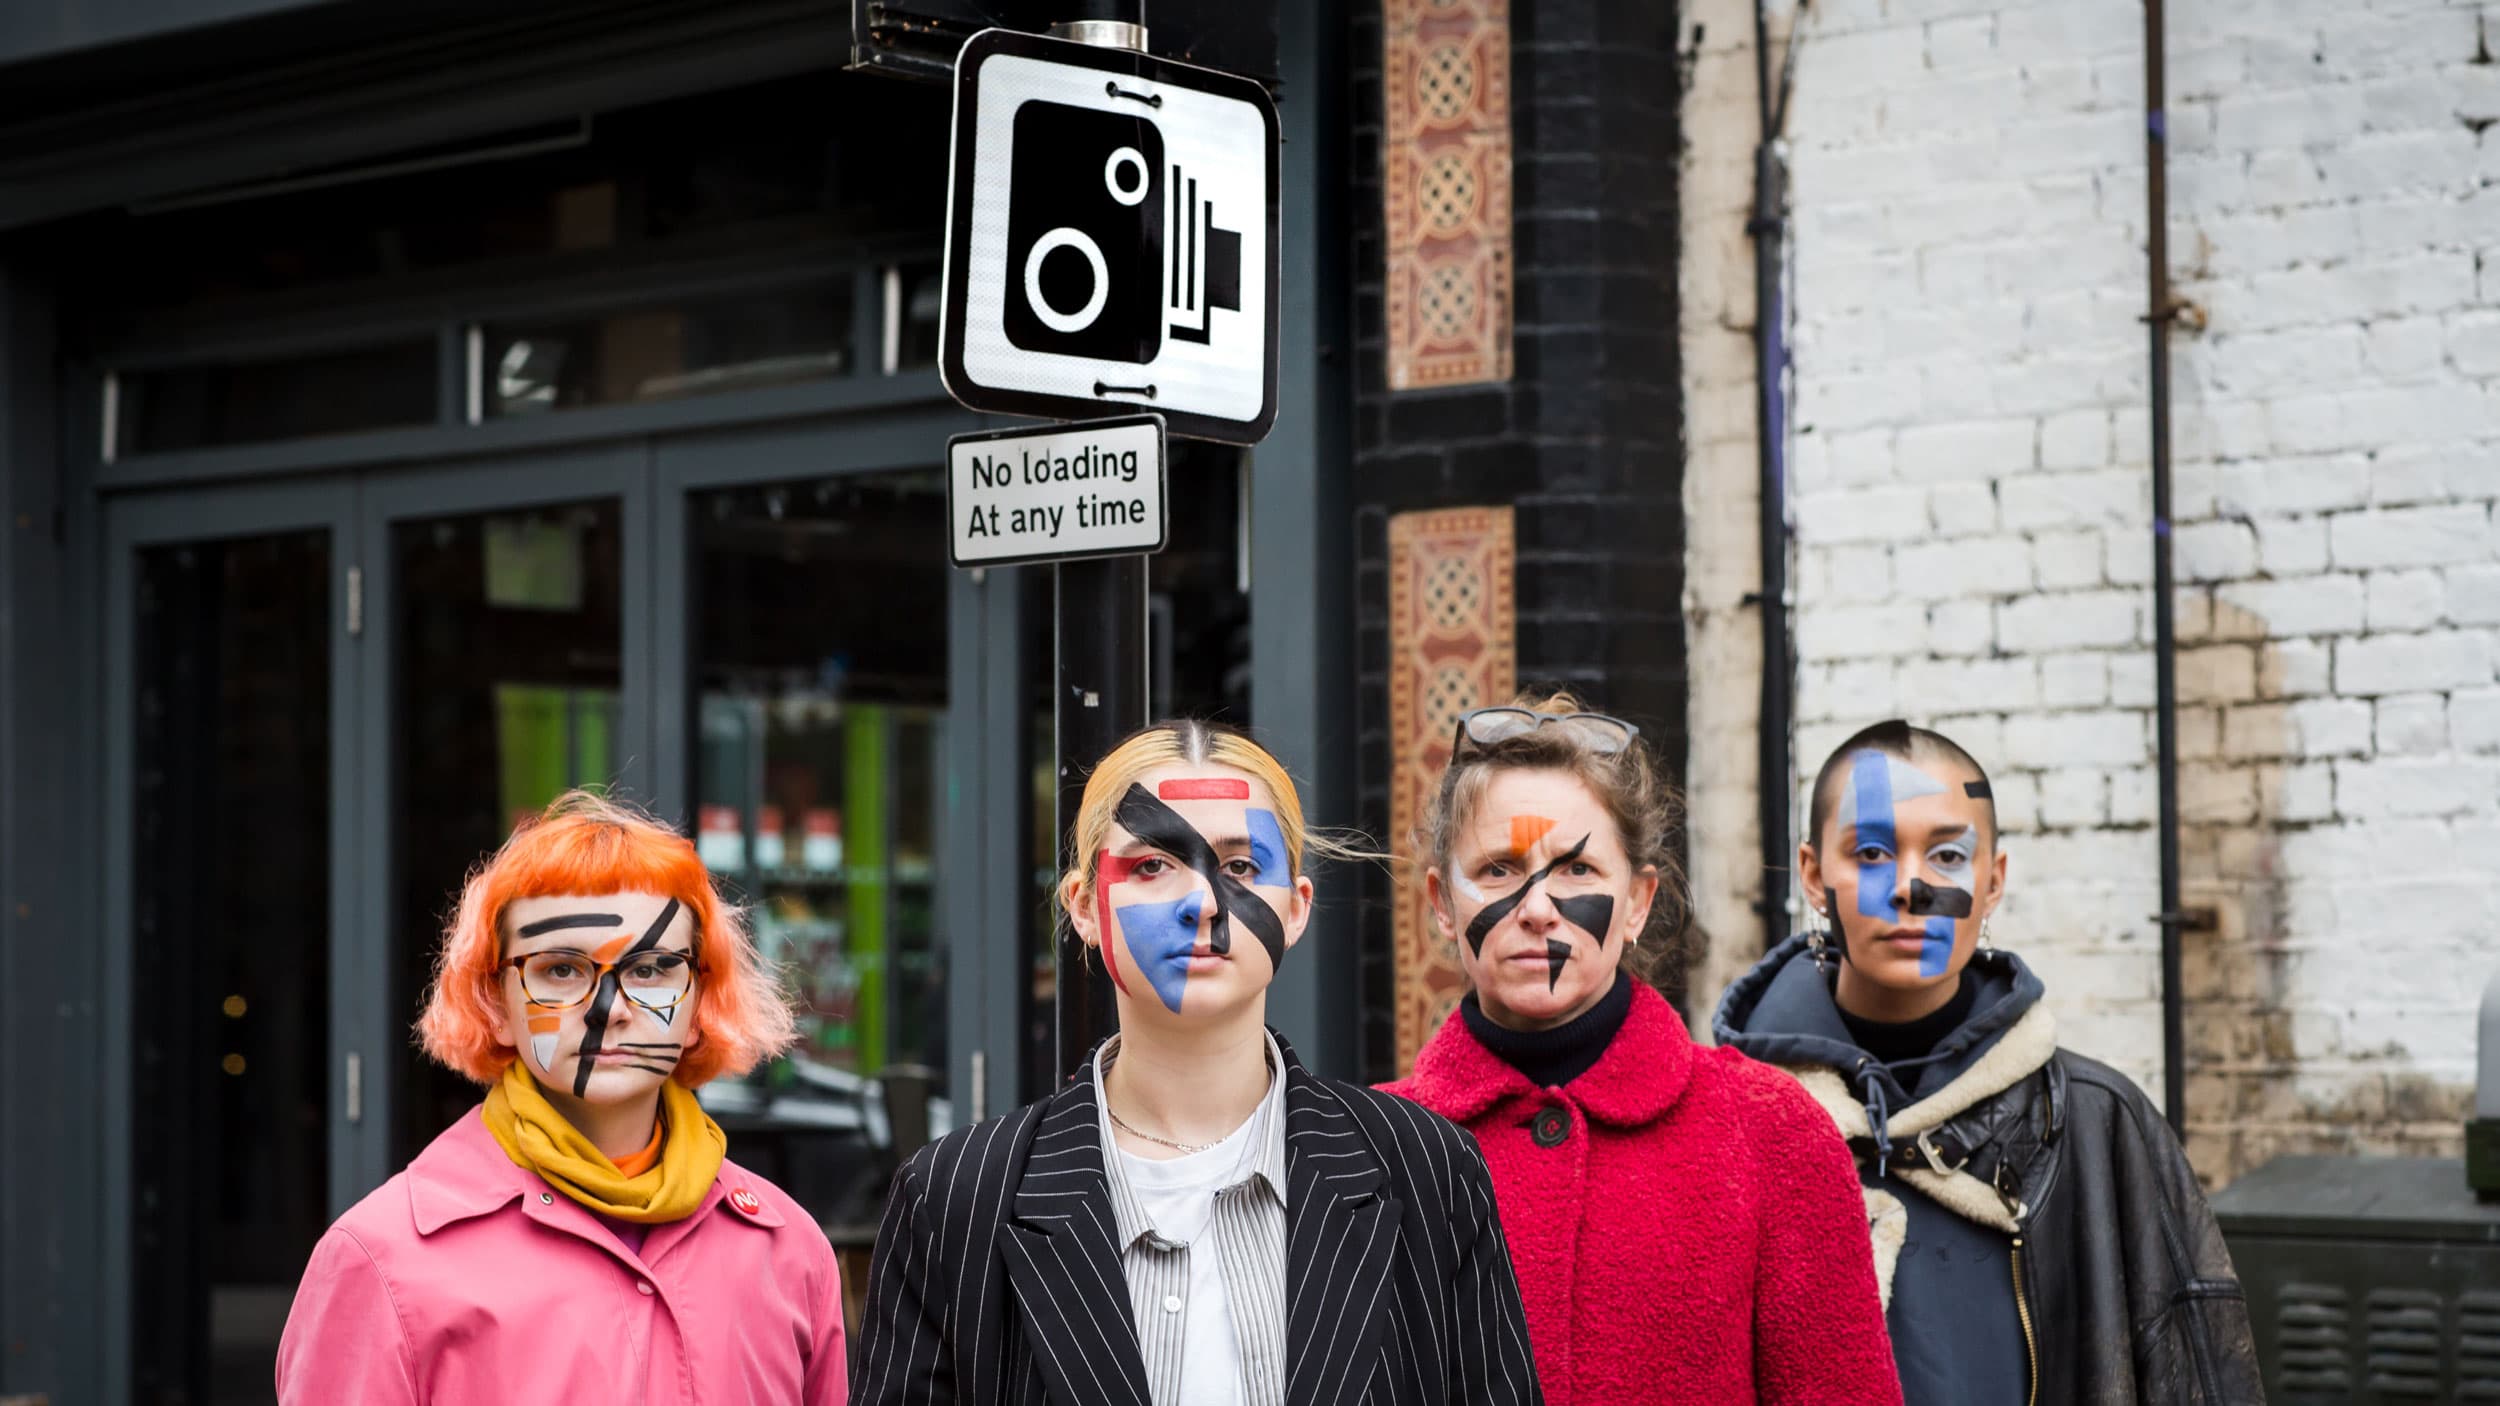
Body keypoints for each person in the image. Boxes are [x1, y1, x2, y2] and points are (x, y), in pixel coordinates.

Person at [851, 719, 1542, 1406]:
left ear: (1297, 909)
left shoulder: (1426, 1171)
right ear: (1083, 908)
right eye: (1153, 865)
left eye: (1240, 866)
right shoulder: (955, 1198)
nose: (1204, 903)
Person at [1713, 719, 2261, 1404]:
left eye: (1947, 856)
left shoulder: (2095, 1123)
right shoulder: (1728, 1123)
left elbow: (2200, 1376)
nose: (1910, 888)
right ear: (1813, 875)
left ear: (1993, 880)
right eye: (1872, 853)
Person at [1381, 694, 1901, 1406]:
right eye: (1499, 869)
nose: (1537, 907)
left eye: (1577, 870)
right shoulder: (1367, 1152)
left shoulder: (1772, 1131)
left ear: (1638, 902)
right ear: (1443, 903)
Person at [275, 791, 846, 1403]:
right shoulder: (382, 1260)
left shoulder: (787, 1250)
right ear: (495, 1004)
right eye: (562, 970)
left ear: (702, 1003)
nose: (611, 1012)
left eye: (651, 969)